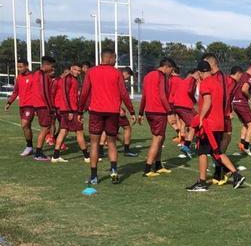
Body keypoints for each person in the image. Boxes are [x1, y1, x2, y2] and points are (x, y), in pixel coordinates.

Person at [185, 55, 245, 192]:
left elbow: (207, 101)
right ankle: (236, 175)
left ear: (200, 72)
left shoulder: (205, 83)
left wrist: (201, 118)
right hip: (219, 122)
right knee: (216, 152)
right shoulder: (217, 82)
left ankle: (201, 182)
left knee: (202, 152)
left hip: (209, 123)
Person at [79, 48, 136, 185]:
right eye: (115, 58)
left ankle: (94, 176)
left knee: (94, 144)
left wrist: (79, 111)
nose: (115, 61)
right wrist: (131, 111)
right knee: (111, 142)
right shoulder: (117, 73)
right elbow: (124, 93)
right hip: (112, 112)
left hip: (96, 112)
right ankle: (114, 171)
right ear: (110, 58)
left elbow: (84, 92)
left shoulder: (91, 71)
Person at [138, 58, 175, 177]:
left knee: (161, 137)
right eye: (171, 70)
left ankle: (158, 165)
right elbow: (163, 96)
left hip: (149, 111)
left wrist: (140, 112)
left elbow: (144, 96)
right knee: (157, 138)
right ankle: (148, 169)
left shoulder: (147, 76)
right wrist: (170, 111)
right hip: (158, 111)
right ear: (167, 67)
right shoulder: (161, 76)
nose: (171, 73)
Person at [51, 63, 88, 163]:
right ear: (71, 69)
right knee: (79, 132)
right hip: (70, 110)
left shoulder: (74, 79)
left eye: (79, 71)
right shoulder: (68, 79)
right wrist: (70, 110)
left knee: (63, 131)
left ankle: (55, 156)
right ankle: (87, 156)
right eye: (75, 70)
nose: (77, 72)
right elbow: (65, 95)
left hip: (69, 109)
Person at [27, 56, 57, 161]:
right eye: (52, 66)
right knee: (45, 129)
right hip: (43, 105)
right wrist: (50, 107)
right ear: (46, 65)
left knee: (45, 128)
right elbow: (44, 93)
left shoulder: (36, 74)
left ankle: (39, 152)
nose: (52, 69)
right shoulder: (43, 75)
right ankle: (38, 153)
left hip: (39, 105)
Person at [4, 59, 35, 156]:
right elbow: (15, 91)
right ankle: (30, 147)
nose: (19, 68)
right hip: (21, 106)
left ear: (26, 66)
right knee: (27, 127)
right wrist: (9, 102)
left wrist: (37, 106)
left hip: (30, 106)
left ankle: (29, 147)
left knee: (24, 125)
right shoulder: (19, 77)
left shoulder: (33, 76)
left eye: (21, 67)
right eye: (18, 67)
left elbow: (37, 91)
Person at [170, 68, 199, 158]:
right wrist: (194, 101)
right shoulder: (192, 79)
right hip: (184, 106)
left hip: (178, 105)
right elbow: (190, 91)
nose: (199, 76)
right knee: (194, 125)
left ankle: (186, 143)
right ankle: (186, 145)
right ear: (194, 73)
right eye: (198, 74)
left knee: (189, 124)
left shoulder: (184, 81)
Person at [233, 63, 251, 156]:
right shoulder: (250, 77)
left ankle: (242, 144)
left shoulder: (241, 75)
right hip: (242, 103)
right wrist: (250, 97)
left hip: (235, 103)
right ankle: (246, 146)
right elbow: (244, 89)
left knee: (245, 124)